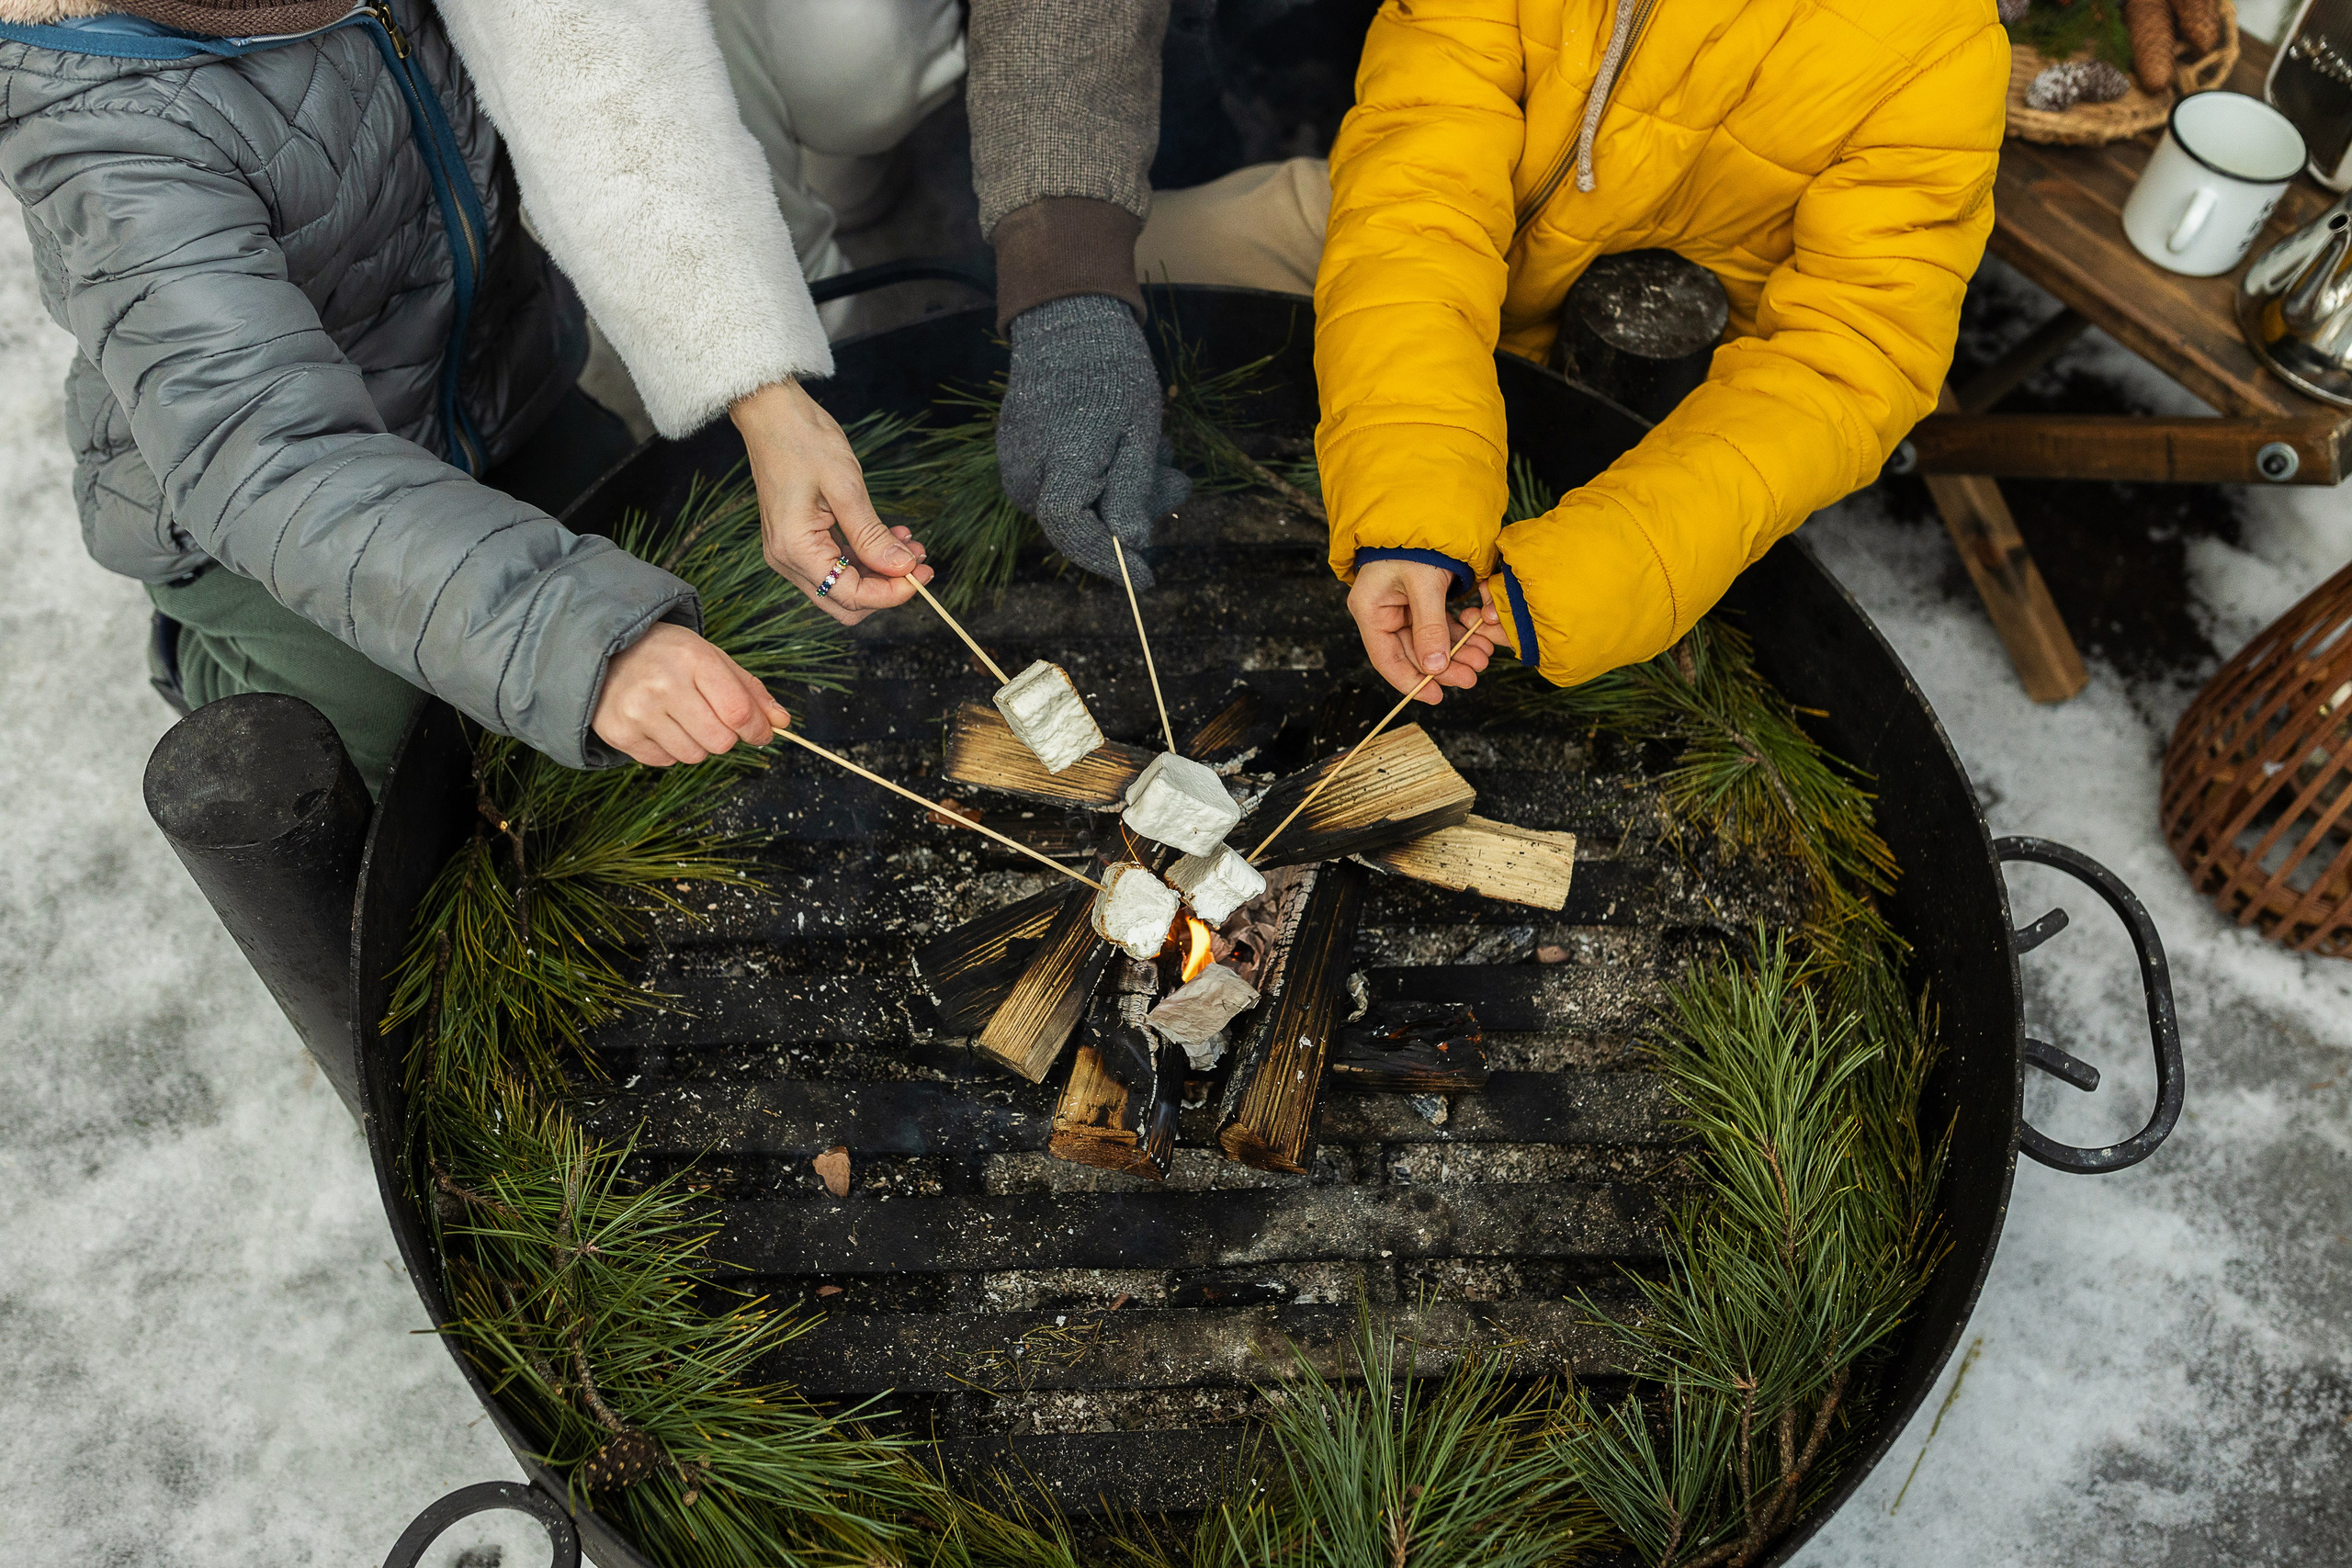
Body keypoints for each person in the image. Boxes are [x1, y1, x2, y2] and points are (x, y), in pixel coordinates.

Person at [0, 0, 927, 789]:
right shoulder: (105, 122)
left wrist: (762, 394)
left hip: (499, 392)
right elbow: (265, 454)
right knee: (400, 736)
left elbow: (588, 73)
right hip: (255, 502)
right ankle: (223, 657)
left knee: (675, 574)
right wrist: (573, 639)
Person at [1133, 2, 2007, 708]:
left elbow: (1851, 359)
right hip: (1415, 244)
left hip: (1657, 391)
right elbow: (1418, 186)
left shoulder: (1939, 48)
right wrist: (1411, 503)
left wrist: (1602, 570)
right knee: (1132, 262)